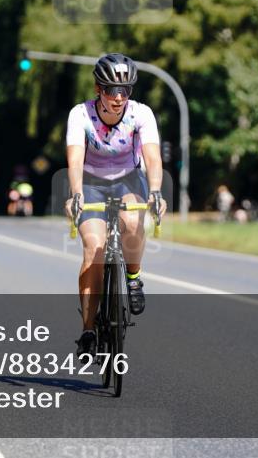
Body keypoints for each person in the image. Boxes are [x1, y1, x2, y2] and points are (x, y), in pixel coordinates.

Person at [64, 53, 167, 358]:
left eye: (126, 91)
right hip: (92, 184)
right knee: (93, 251)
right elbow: (74, 158)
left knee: (134, 224)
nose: (119, 97)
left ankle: (133, 278)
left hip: (128, 181)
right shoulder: (80, 115)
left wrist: (157, 192)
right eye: (112, 90)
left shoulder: (141, 114)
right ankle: (87, 329)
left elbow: (152, 157)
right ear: (98, 90)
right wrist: (76, 194)